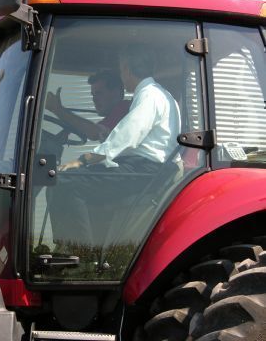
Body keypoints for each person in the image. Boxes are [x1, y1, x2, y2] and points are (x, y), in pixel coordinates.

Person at [49, 45, 181, 253]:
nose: (122, 76)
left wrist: (82, 160)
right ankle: (74, 247)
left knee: (64, 180)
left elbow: (125, 136)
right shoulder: (158, 94)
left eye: (121, 71)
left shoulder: (149, 96)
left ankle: (80, 253)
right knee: (73, 179)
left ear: (127, 69)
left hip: (143, 170)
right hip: (145, 168)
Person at [46, 69, 130, 142]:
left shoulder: (125, 109)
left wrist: (57, 109)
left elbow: (95, 133)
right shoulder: (112, 119)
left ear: (116, 93)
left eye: (99, 93)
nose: (94, 99)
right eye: (93, 95)